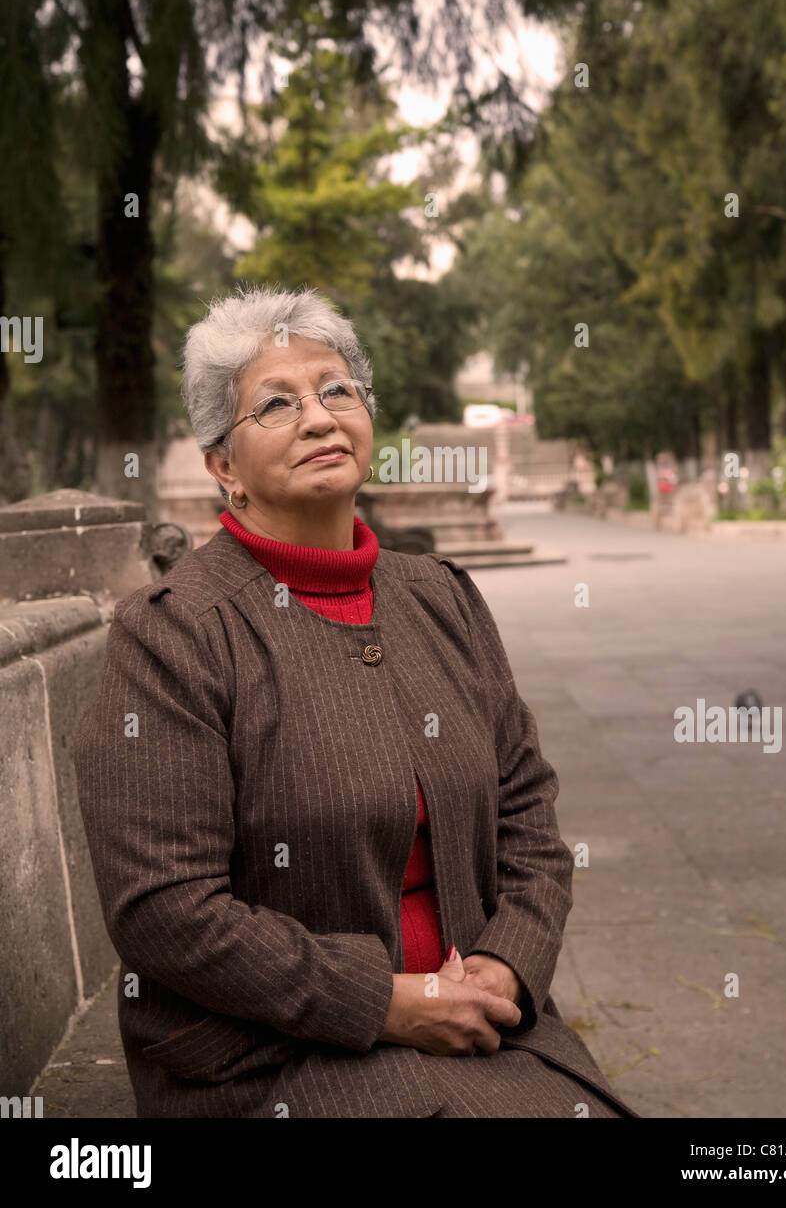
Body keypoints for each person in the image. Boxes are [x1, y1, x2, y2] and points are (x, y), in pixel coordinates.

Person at [74, 286, 639, 1119]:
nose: (319, 417)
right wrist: (388, 1002)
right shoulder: (174, 636)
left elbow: (529, 816)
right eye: (276, 403)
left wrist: (504, 964)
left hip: (483, 1024)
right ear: (222, 466)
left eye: (337, 389)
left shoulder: (440, 598)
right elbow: (167, 910)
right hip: (272, 1056)